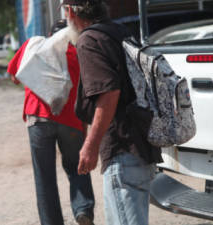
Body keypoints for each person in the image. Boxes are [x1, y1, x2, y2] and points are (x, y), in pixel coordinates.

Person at [62, 1, 164, 225]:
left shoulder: (88, 40)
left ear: (70, 11)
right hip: (140, 145)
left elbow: (109, 93)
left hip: (122, 149)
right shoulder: (119, 31)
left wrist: (90, 144)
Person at [6, 19, 95, 225]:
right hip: (71, 121)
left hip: (38, 118)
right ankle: (83, 211)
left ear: (50, 34)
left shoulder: (34, 47)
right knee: (76, 167)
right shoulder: (79, 54)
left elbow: (14, 77)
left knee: (44, 176)